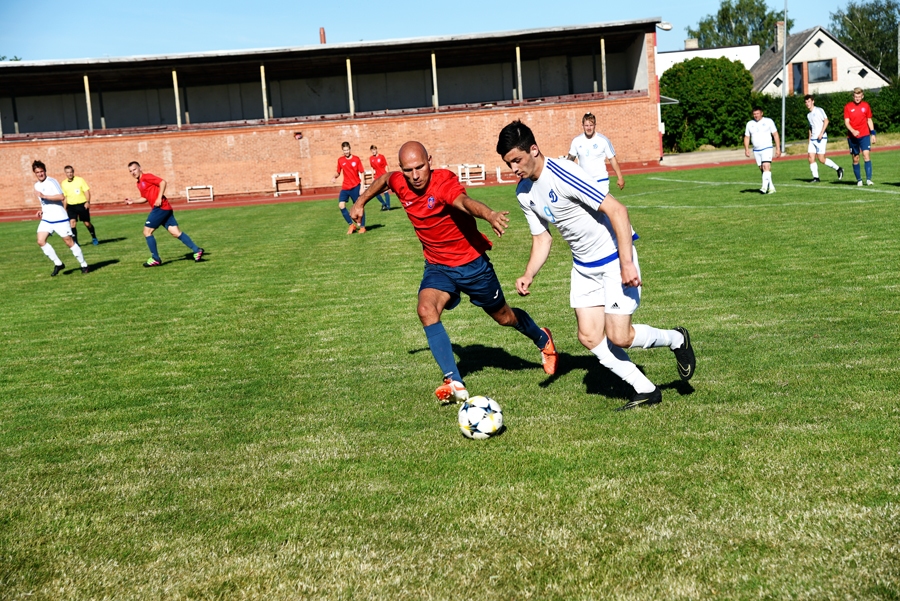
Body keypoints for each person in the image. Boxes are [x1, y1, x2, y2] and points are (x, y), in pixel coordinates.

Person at [496, 120, 695, 411]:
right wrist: (528, 274)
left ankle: (677, 339)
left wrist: (626, 263)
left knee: (620, 336)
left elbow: (617, 210)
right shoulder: (524, 192)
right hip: (584, 267)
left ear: (534, 150)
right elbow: (542, 238)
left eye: (517, 159)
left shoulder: (563, 173)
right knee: (589, 336)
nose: (513, 168)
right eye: (508, 162)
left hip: (614, 259)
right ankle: (646, 390)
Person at [350, 141, 558, 403]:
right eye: (408, 170)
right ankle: (454, 380)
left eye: (420, 167)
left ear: (430, 161)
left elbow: (464, 202)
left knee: (505, 318)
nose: (414, 176)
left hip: (473, 266)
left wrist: (489, 214)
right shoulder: (400, 180)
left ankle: (542, 337)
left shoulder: (442, 183)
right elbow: (384, 179)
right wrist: (360, 201)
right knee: (426, 309)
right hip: (438, 266)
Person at [125, 161, 204, 267]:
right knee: (175, 232)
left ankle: (155, 258)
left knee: (147, 231)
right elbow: (145, 198)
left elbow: (162, 182)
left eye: (134, 169)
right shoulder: (139, 183)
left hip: (160, 208)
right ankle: (197, 250)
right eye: (130, 171)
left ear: (140, 168)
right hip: (165, 208)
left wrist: (158, 198)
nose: (133, 172)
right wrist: (133, 201)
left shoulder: (147, 177)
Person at [31, 160, 89, 275]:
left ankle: (84, 264)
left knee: (69, 242)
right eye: (37, 172)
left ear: (45, 171)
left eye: (42, 171)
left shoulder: (52, 182)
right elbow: (44, 202)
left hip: (59, 218)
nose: (40, 174)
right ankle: (58, 263)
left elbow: (61, 197)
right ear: (35, 173)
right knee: (40, 241)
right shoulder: (36, 185)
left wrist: (44, 196)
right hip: (47, 218)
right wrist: (42, 210)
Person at [566, 112, 625, 194]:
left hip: (601, 181)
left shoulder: (603, 140)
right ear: (582, 125)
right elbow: (569, 160)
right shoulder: (576, 141)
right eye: (586, 125)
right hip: (585, 181)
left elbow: (612, 159)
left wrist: (620, 177)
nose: (589, 128)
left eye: (591, 125)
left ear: (595, 125)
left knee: (602, 206)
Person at [805, 95, 843, 183]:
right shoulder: (808, 115)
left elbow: (826, 121)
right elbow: (810, 127)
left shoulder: (819, 110)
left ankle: (838, 169)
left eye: (809, 101)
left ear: (813, 101)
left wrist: (821, 133)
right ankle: (816, 178)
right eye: (806, 102)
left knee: (821, 159)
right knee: (810, 158)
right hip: (813, 139)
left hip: (821, 138)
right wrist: (809, 139)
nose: (807, 104)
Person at [743, 107, 781, 194]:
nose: (756, 115)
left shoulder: (768, 121)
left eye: (757, 113)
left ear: (762, 113)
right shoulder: (750, 124)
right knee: (762, 169)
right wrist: (746, 149)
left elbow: (775, 134)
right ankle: (771, 187)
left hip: (767, 148)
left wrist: (778, 148)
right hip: (756, 150)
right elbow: (747, 137)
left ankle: (764, 187)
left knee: (766, 166)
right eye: (754, 114)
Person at [331, 142, 367, 234]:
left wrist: (362, 187)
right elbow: (338, 172)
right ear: (342, 150)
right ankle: (351, 225)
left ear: (350, 149)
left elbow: (362, 172)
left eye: (347, 150)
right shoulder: (340, 160)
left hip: (356, 186)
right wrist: (334, 176)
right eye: (344, 150)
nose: (346, 152)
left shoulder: (356, 159)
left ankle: (362, 227)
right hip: (345, 187)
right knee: (341, 205)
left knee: (359, 207)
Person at [843, 87, 876, 186]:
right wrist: (853, 131)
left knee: (866, 155)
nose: (857, 98)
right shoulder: (848, 107)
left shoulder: (866, 106)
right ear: (853, 96)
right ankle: (859, 180)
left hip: (864, 135)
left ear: (862, 96)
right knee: (855, 158)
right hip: (852, 137)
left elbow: (869, 120)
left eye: (859, 96)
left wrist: (873, 133)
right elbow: (846, 122)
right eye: (856, 96)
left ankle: (869, 180)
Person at [60, 165, 99, 245]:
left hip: (82, 204)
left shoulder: (80, 180)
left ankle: (94, 237)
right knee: (72, 223)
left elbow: (86, 191)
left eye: (71, 172)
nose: (69, 174)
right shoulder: (63, 183)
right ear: (65, 173)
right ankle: (76, 243)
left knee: (87, 223)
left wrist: (87, 202)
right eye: (67, 172)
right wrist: (64, 208)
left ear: (73, 172)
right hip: (71, 206)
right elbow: (65, 197)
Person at [369, 145, 391, 210]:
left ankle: (388, 207)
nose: (373, 151)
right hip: (377, 177)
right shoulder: (371, 158)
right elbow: (372, 168)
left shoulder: (381, 157)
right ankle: (384, 203)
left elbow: (386, 166)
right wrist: (372, 176)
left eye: (374, 150)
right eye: (372, 150)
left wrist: (387, 175)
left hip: (383, 176)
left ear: (376, 149)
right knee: (375, 192)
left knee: (385, 191)